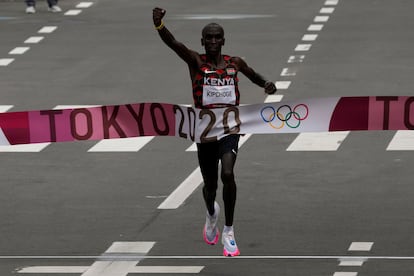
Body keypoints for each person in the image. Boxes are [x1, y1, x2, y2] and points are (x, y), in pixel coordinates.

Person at [152, 7, 277, 257]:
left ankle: (229, 231)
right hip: (204, 132)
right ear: (202, 41)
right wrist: (159, 25)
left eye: (216, 37)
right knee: (210, 185)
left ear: (223, 40)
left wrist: (266, 84)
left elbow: (253, 76)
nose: (212, 41)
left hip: (229, 129)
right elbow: (173, 44)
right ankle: (211, 213)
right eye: (207, 38)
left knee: (228, 174)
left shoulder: (235, 63)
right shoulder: (196, 62)